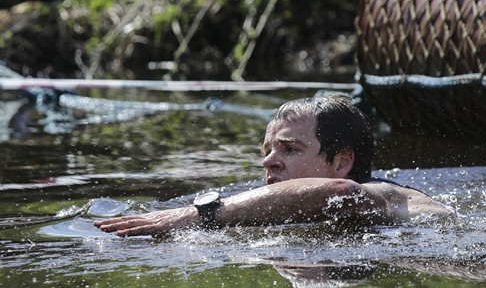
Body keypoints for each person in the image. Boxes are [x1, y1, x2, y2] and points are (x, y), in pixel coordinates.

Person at [94, 95, 455, 237]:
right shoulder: (276, 203)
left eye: (289, 148)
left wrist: (199, 216)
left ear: (342, 161)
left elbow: (341, 194)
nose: (268, 160)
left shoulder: (390, 194)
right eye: (267, 149)